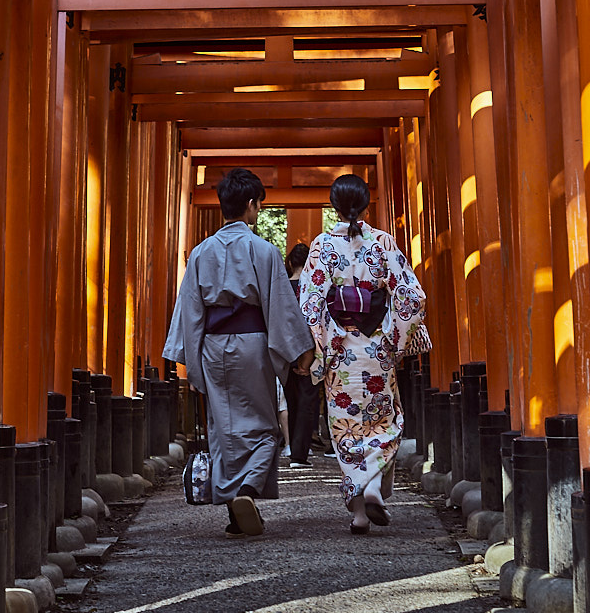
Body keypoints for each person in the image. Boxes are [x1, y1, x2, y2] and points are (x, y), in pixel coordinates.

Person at [163, 168, 315, 539]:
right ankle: (247, 491)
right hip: (253, 344)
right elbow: (279, 305)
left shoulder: (200, 254)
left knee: (223, 428)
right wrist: (300, 352)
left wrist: (193, 363)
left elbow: (191, 312)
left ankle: (235, 511)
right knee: (265, 429)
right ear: (251, 205)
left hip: (213, 346)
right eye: (259, 204)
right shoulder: (263, 251)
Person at [299, 174, 431, 534]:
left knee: (346, 428)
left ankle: (358, 512)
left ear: (333, 205)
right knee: (382, 422)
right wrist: (392, 337)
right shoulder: (383, 243)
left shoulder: (322, 246)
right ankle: (373, 486)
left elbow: (310, 304)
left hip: (341, 354)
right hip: (376, 350)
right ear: (366, 204)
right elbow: (411, 296)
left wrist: (325, 343)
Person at [283, 243, 322, 469]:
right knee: (308, 400)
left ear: (290, 262)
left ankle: (291, 447)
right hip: (311, 350)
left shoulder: (283, 288)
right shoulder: (313, 288)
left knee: (291, 400)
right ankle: (299, 453)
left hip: (287, 351)